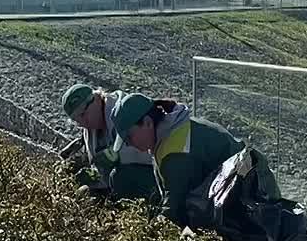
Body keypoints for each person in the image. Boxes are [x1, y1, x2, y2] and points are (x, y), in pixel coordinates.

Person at [109, 92, 280, 226]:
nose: (129, 144)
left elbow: (175, 208)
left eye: (130, 137)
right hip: (239, 195)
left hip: (255, 202)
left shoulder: (175, 150)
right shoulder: (172, 131)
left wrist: (151, 236)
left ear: (147, 122)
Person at [60, 83, 156, 200]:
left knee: (120, 178)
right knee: (83, 194)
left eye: (83, 114)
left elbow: (144, 150)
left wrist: (115, 156)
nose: (82, 122)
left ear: (95, 99)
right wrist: (94, 176)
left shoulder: (123, 112)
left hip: (155, 174)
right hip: (117, 181)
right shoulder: (89, 131)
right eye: (76, 120)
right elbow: (99, 167)